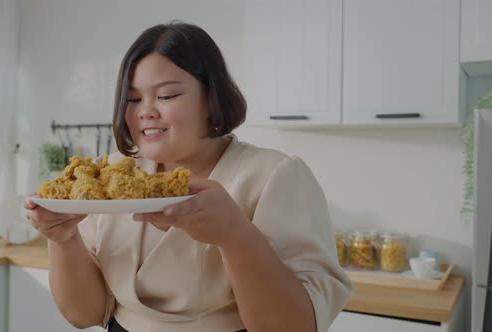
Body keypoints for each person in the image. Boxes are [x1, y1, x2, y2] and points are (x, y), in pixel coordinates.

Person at [24, 21, 352, 332]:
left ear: (211, 99)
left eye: (166, 96)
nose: (145, 111)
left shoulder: (275, 176)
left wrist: (237, 236)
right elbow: (86, 315)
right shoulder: (110, 178)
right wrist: (64, 239)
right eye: (134, 98)